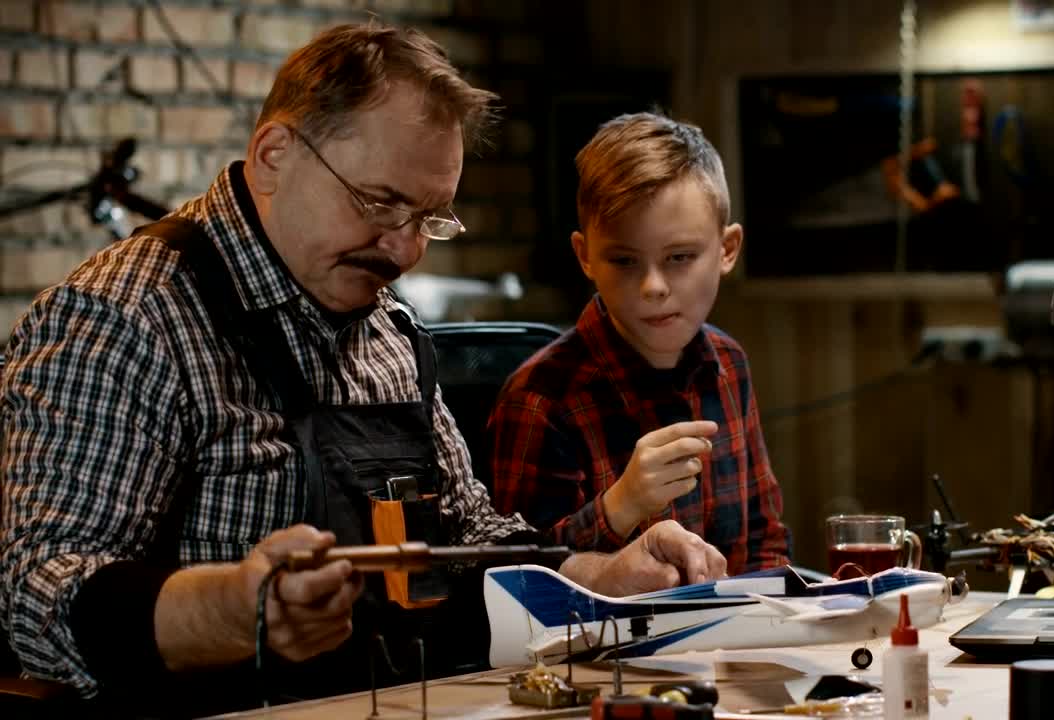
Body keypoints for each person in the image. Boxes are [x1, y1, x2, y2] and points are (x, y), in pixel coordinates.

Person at [0, 25, 724, 715]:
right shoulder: (122, 319)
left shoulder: (388, 330)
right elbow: (38, 596)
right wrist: (230, 610)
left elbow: (467, 541)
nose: (406, 249)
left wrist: (597, 578)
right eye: (381, 203)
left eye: (431, 218)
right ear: (274, 155)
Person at [488, 112, 790, 576]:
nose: (653, 286)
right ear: (585, 255)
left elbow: (762, 542)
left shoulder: (729, 364)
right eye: (625, 261)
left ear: (727, 250)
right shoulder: (539, 397)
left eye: (679, 258)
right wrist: (620, 506)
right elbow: (516, 581)